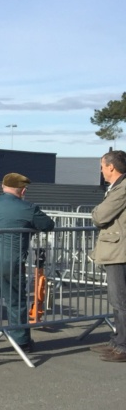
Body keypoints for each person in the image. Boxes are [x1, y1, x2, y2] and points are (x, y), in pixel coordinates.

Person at [0, 172, 55, 352]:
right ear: (23, 190)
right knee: (15, 299)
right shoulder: (29, 208)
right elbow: (48, 225)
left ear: (3, 187)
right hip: (11, 259)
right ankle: (21, 340)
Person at [91, 150, 126, 361]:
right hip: (118, 251)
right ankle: (117, 341)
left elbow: (100, 216)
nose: (102, 171)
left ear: (111, 167)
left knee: (120, 301)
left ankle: (122, 346)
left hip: (119, 252)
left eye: (102, 167)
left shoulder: (122, 189)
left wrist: (95, 212)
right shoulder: (118, 187)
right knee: (118, 301)